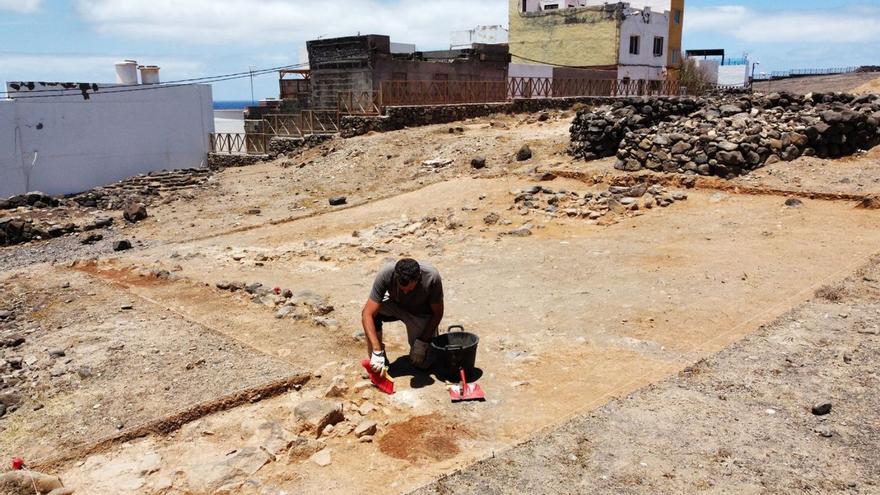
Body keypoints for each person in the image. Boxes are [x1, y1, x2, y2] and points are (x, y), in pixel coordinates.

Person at [362, 258, 444, 373]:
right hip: (396, 306)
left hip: (419, 314)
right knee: (372, 314)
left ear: (418, 277)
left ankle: (425, 349)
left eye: (410, 289)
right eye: (402, 289)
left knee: (423, 363)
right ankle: (379, 362)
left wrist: (423, 341)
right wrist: (376, 350)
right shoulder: (387, 273)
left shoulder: (431, 277)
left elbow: (437, 313)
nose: (405, 292)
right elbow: (367, 314)